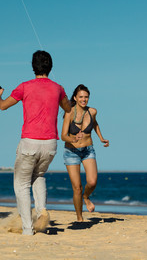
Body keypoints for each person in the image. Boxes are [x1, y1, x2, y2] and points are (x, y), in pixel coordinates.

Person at [0, 50, 71, 235]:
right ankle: (41, 209)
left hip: (30, 142)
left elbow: (3, 105)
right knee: (38, 176)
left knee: (21, 185)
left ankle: (28, 228)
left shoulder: (25, 86)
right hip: (50, 144)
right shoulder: (58, 88)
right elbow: (68, 108)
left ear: (33, 66)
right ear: (50, 67)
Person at [61, 84, 109, 221]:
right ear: (75, 98)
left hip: (88, 150)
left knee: (92, 182)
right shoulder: (69, 113)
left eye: (86, 97)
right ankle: (79, 218)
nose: (84, 99)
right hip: (71, 152)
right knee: (77, 187)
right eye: (81, 97)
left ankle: (86, 197)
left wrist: (101, 138)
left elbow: (94, 124)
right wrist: (74, 138)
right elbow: (63, 135)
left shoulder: (92, 111)